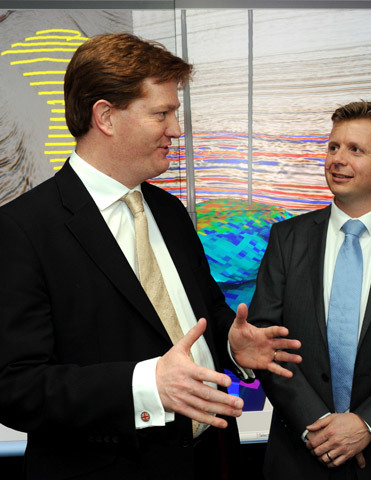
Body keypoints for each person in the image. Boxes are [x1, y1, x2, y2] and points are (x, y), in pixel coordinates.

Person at [0, 32, 301, 480]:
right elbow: (15, 387)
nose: (176, 130)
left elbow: (201, 317)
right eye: (162, 113)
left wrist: (232, 345)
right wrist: (145, 386)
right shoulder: (22, 229)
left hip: (211, 459)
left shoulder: (168, 210)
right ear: (105, 116)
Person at [249, 100, 371, 480]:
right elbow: (265, 341)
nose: (338, 159)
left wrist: (367, 425)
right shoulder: (286, 238)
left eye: (355, 150)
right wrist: (317, 425)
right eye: (334, 146)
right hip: (300, 455)